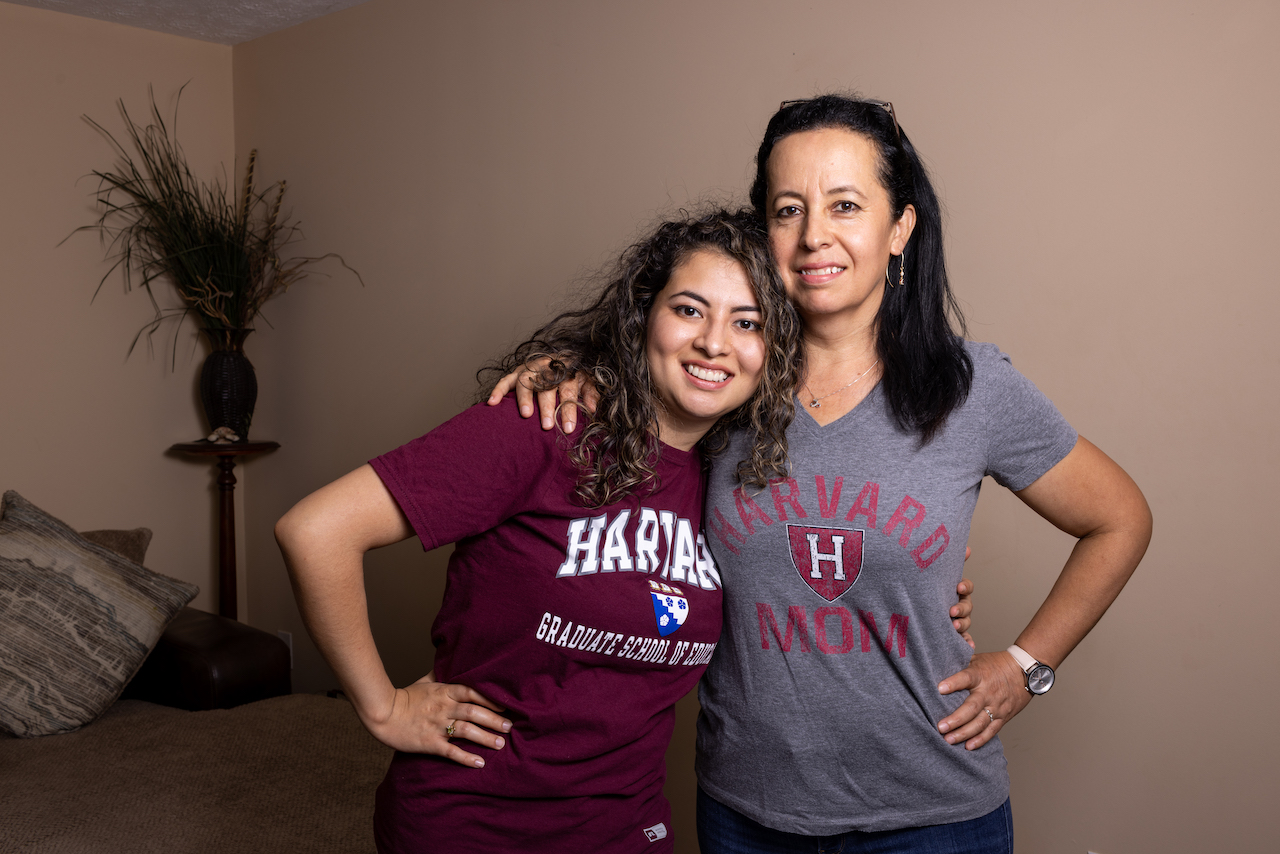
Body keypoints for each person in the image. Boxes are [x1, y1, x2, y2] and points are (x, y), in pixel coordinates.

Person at [494, 95, 1152, 852]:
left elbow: (1120, 518)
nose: (814, 237)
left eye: (845, 204)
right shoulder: (723, 382)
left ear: (900, 227)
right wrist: (567, 369)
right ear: (760, 230)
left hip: (931, 816)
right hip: (747, 810)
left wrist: (1026, 665)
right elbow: (632, 386)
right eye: (787, 210)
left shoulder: (971, 389)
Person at [275, 209, 806, 853]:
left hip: (625, 826)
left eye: (747, 323)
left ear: (773, 352)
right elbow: (316, 530)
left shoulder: (737, 479)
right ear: (644, 318)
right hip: (475, 822)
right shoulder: (546, 426)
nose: (715, 342)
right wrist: (382, 706)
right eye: (690, 310)